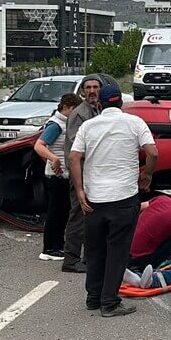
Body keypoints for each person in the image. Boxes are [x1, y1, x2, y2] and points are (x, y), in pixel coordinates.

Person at [70, 85, 158, 318]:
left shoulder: (88, 126)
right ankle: (109, 302)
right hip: (123, 198)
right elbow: (153, 152)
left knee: (95, 250)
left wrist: (80, 190)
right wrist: (147, 174)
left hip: (94, 200)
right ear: (121, 103)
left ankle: (93, 297)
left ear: (100, 103)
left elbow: (74, 157)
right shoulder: (135, 123)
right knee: (117, 252)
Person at [59, 74, 107, 273]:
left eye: (96, 87)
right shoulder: (79, 114)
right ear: (83, 91)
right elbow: (78, 147)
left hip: (92, 173)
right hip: (81, 173)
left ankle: (88, 257)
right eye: (88, 87)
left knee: (90, 216)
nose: (92, 90)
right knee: (78, 215)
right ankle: (70, 259)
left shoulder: (97, 110)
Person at [34, 92, 84, 261]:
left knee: (62, 213)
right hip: (56, 176)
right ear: (67, 107)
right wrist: (53, 158)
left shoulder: (65, 123)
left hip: (63, 174)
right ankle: (49, 248)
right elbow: (39, 145)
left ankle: (57, 245)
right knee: (56, 213)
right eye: (74, 110)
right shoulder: (56, 125)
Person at [127, 194, 171, 272]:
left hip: (123, 247)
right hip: (136, 260)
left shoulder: (163, 199)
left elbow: (138, 208)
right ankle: (143, 269)